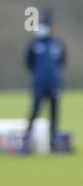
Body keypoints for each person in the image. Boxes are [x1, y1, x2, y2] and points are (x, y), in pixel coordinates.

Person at [24, 14, 66, 152]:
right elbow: (29, 63)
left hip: (54, 84)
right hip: (39, 84)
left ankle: (53, 141)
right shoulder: (34, 44)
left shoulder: (57, 44)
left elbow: (62, 62)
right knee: (34, 112)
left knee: (54, 113)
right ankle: (27, 140)